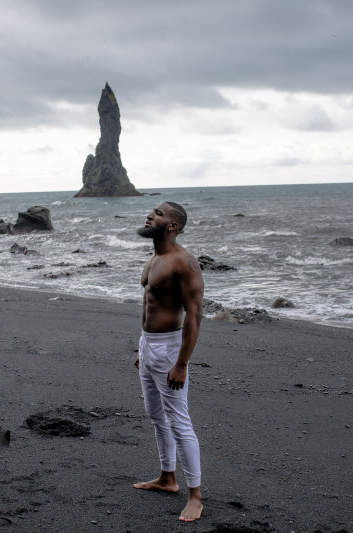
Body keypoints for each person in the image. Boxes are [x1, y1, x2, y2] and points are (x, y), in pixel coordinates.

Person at [133, 201, 204, 522]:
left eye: (159, 214)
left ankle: (196, 496)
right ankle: (167, 478)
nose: (150, 216)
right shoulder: (153, 258)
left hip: (170, 350)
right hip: (148, 346)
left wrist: (182, 363)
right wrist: (143, 350)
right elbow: (150, 306)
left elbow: (195, 315)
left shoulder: (184, 262)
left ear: (173, 226)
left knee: (179, 421)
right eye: (152, 212)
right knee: (155, 416)